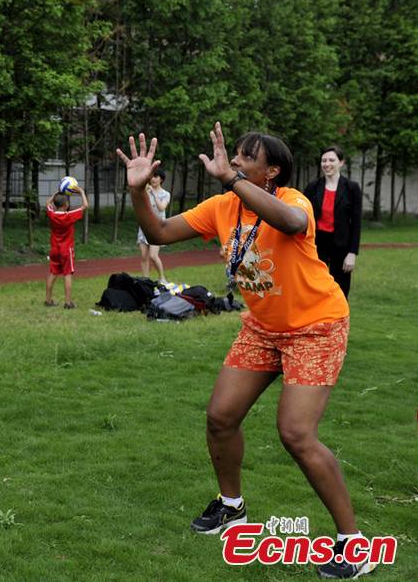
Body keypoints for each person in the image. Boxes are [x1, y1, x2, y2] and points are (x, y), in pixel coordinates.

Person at [117, 123, 375, 580]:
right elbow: (156, 227)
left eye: (244, 158)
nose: (234, 162)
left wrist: (231, 181)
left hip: (316, 326)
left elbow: (292, 223)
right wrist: (138, 190)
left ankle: (353, 543)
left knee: (296, 434)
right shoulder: (222, 207)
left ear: (271, 171)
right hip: (262, 328)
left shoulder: (294, 201)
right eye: (233, 156)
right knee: (220, 417)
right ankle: (232, 506)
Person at [304, 147, 362, 298]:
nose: (327, 164)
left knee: (340, 288)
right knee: (315, 285)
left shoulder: (352, 188)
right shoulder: (312, 187)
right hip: (317, 243)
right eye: (324, 160)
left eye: (331, 160)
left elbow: (356, 223)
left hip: (341, 245)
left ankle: (340, 319)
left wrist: (352, 253)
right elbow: (304, 216)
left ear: (341, 162)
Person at [44, 186, 89, 309]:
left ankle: (48, 300)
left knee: (53, 273)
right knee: (67, 274)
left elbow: (47, 203)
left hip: (54, 249)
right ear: (65, 204)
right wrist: (81, 192)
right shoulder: (69, 216)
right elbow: (85, 206)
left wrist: (57, 193)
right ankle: (68, 302)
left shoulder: (52, 214)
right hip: (66, 250)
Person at [137, 167, 171, 283]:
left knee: (153, 255)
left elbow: (161, 208)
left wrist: (153, 194)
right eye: (151, 177)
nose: (153, 179)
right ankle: (146, 280)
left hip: (157, 228)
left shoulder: (165, 194)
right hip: (144, 227)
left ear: (161, 179)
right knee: (143, 256)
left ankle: (162, 278)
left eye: (156, 177)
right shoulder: (145, 192)